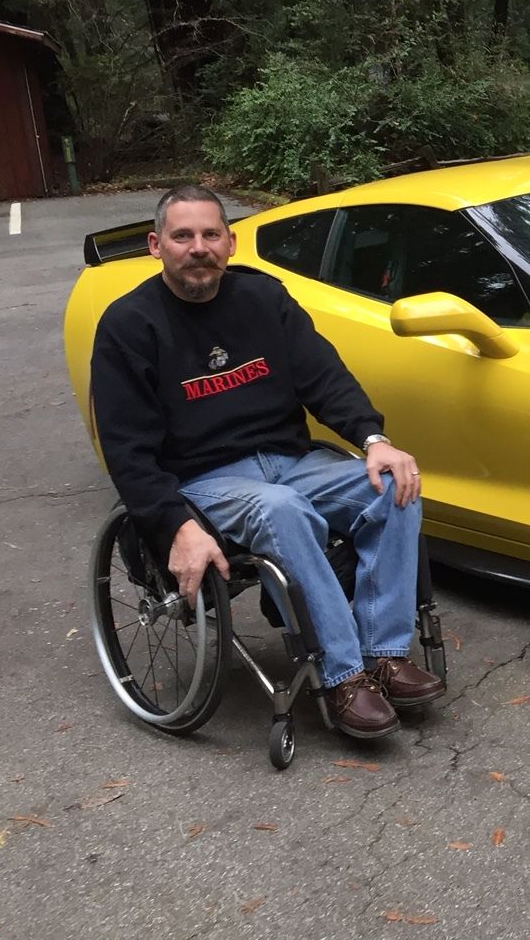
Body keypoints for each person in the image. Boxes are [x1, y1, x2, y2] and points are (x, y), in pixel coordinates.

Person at [89, 185, 445, 738]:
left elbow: (324, 377)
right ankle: (343, 676)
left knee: (394, 486)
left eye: (211, 234)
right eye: (183, 236)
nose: (198, 247)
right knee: (282, 508)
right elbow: (126, 448)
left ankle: (384, 654)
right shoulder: (128, 326)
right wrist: (173, 524)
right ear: (156, 246)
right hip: (204, 481)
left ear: (231, 243)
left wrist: (375, 439)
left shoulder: (263, 299)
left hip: (290, 461)